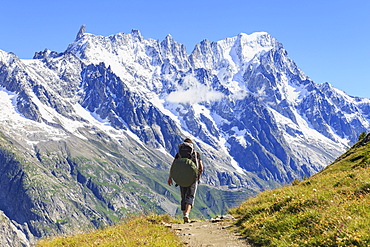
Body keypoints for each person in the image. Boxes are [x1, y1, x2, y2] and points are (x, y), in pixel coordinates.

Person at [168, 138, 203, 223]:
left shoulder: (179, 154)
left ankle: (184, 215)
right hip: (192, 177)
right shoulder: (196, 154)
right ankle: (186, 214)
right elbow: (201, 167)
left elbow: (173, 166)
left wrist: (170, 177)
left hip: (181, 177)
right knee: (190, 195)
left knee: (183, 196)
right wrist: (198, 176)